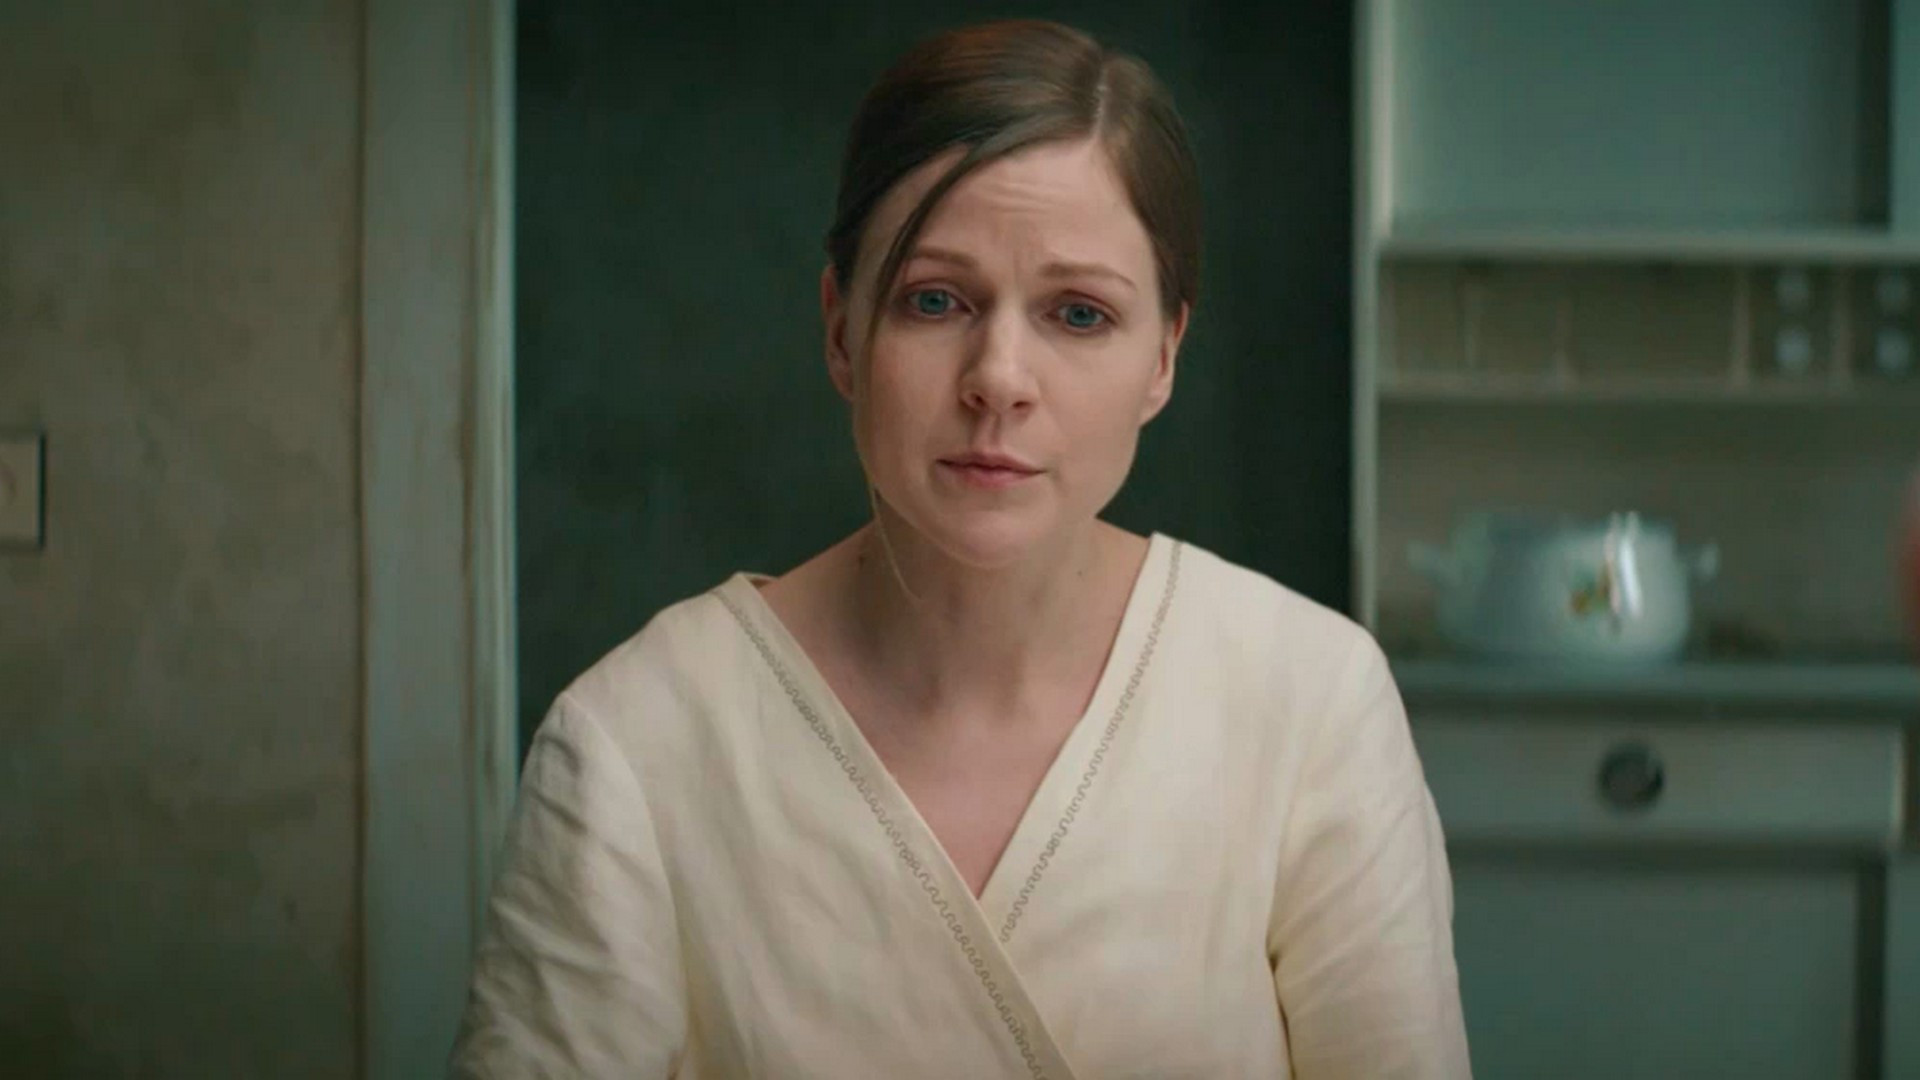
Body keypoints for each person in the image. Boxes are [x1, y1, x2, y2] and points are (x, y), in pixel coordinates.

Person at [451, 18, 1470, 1079]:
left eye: (1079, 314)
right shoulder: (636, 745)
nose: (999, 379)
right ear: (841, 330)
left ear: (1164, 356)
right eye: (935, 301)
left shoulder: (1311, 702)